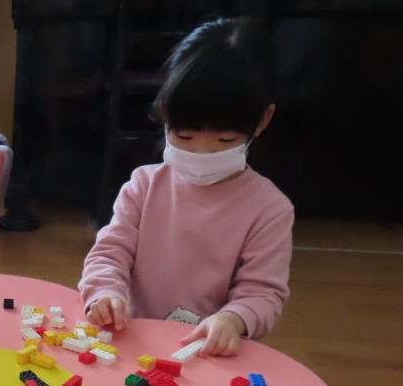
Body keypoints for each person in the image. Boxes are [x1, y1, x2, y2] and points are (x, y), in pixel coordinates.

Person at [78, 18, 293, 357]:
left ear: (263, 120)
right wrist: (104, 292)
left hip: (206, 352)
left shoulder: (270, 209)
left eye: (225, 140)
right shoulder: (143, 186)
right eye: (185, 136)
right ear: (166, 113)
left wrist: (233, 319)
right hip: (133, 338)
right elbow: (110, 253)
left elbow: (263, 293)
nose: (202, 153)